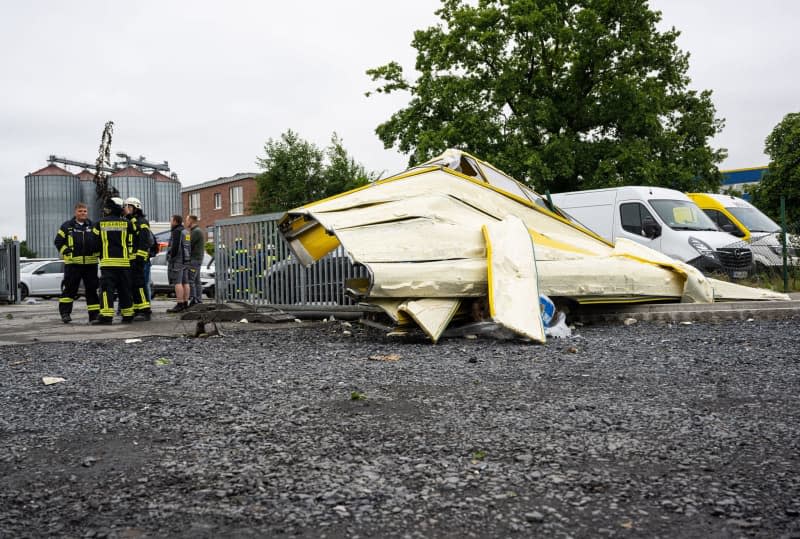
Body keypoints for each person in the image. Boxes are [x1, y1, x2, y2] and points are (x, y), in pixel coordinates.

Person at [54, 202, 100, 323]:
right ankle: (65, 314)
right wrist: (66, 251)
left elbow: (100, 241)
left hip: (90, 264)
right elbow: (58, 241)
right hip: (73, 264)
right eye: (80, 211)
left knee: (92, 290)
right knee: (70, 289)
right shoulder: (67, 226)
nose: (83, 213)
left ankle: (94, 316)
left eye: (84, 211)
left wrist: (97, 251)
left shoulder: (93, 226)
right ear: (75, 212)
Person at [93, 197, 135, 324]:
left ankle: (106, 316)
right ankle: (128, 315)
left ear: (109, 209)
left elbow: (94, 243)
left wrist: (97, 255)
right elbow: (131, 242)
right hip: (124, 263)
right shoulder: (127, 223)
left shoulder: (99, 224)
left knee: (106, 290)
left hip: (108, 263)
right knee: (125, 290)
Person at [123, 197, 154, 321]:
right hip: (130, 259)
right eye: (126, 207)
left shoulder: (142, 222)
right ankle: (136, 309)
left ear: (136, 208)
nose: (126, 209)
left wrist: (140, 257)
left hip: (139, 260)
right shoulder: (129, 221)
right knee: (133, 286)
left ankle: (145, 310)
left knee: (140, 285)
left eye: (129, 207)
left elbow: (144, 240)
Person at [166, 214, 191, 313]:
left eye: (171, 220)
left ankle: (179, 304)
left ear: (175, 221)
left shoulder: (176, 232)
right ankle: (185, 303)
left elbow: (175, 247)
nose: (170, 222)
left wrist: (171, 258)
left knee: (178, 282)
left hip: (178, 260)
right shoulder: (186, 231)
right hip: (186, 259)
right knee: (186, 282)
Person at [186, 214, 205, 306]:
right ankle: (198, 299)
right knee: (197, 280)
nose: (186, 222)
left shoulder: (196, 232)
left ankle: (194, 299)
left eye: (187, 220)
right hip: (197, 259)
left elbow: (188, 244)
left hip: (194, 259)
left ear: (191, 221)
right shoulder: (195, 231)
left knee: (191, 280)